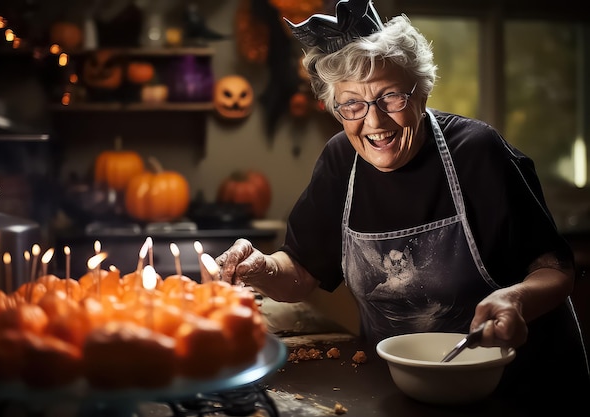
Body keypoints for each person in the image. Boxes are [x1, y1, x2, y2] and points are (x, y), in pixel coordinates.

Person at [216, 0, 589, 407]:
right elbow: (301, 272)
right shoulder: (340, 160)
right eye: (352, 104)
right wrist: (260, 266)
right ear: (334, 107)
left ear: (422, 90)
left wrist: (515, 299)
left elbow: (556, 271)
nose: (374, 123)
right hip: (407, 387)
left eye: (390, 97)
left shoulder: (478, 153)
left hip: (519, 387)